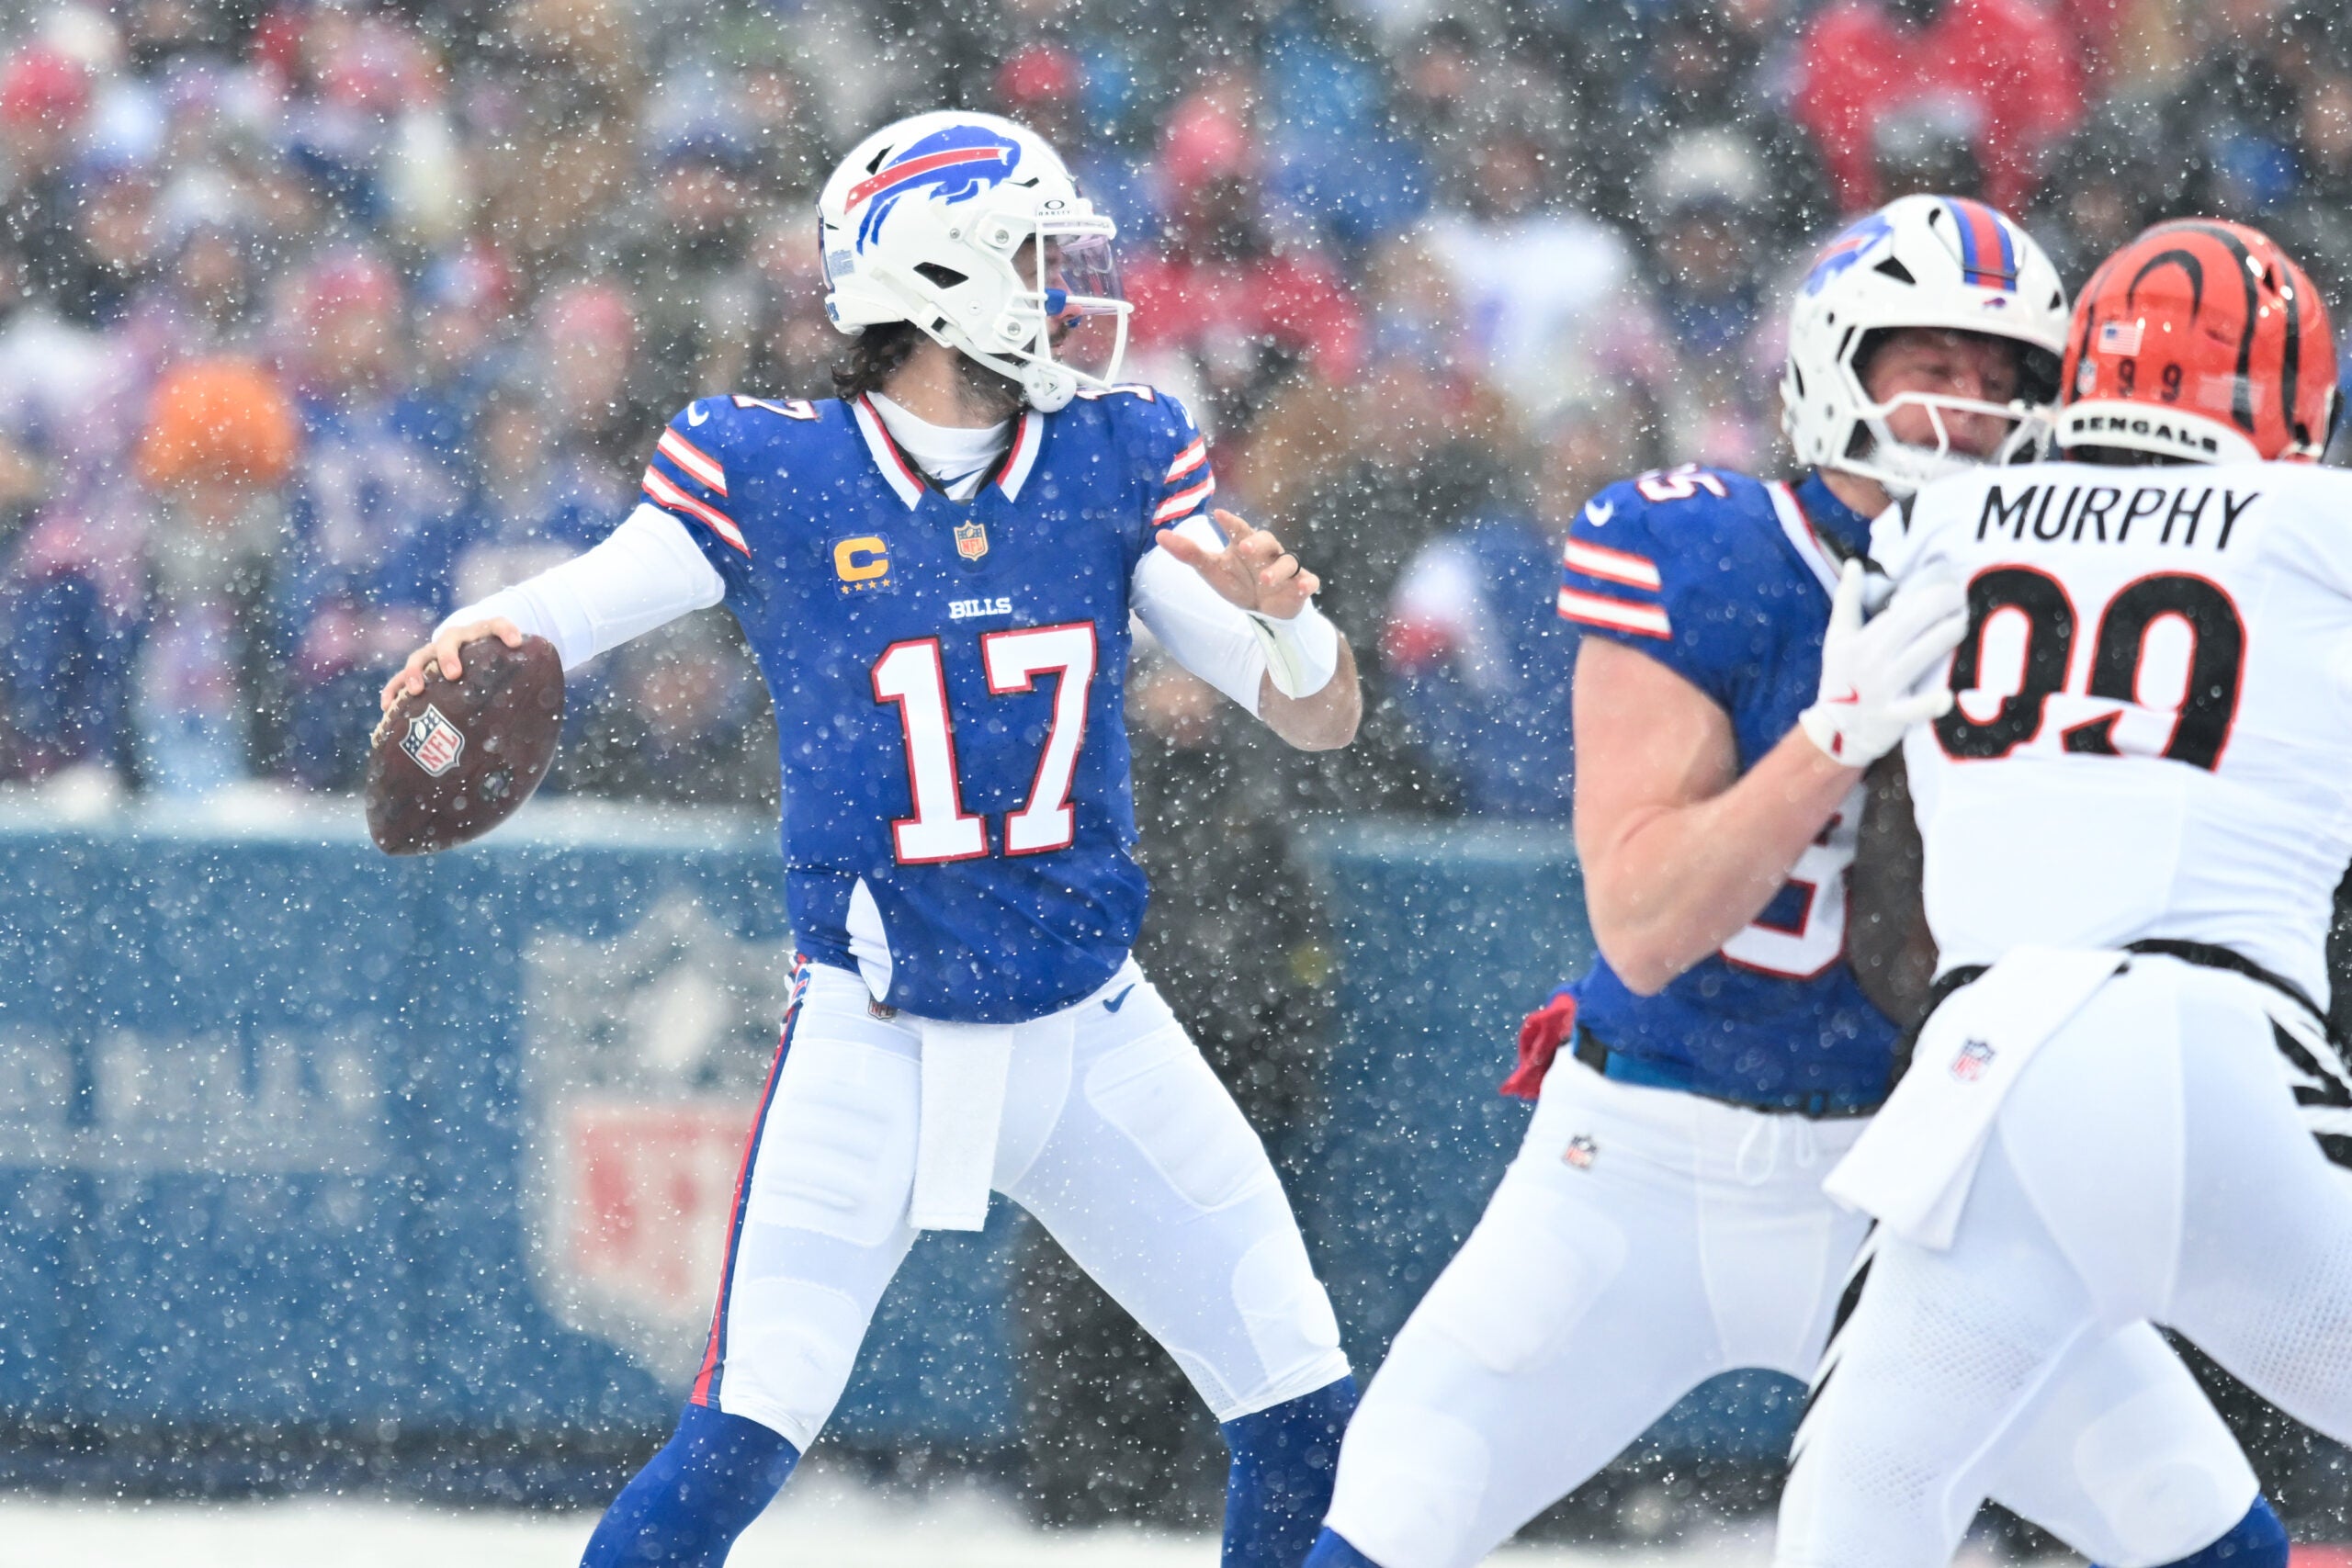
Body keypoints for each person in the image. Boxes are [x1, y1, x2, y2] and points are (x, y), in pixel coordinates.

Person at [379, 111, 1363, 1568]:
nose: (1075, 285)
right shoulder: (774, 468)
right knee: (732, 1444)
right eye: (1038, 254)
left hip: (1095, 1023)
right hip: (872, 1036)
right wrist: (468, 643)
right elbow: (577, 602)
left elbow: (1316, 716)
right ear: (944, 273)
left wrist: (1292, 619)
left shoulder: (1115, 450)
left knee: (1301, 1412)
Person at [1306, 196, 2287, 1568]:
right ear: (1837, 361)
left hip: (1928, 1187)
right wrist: (1837, 736)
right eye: (1931, 366)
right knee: (1378, 1534)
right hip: (1637, 1170)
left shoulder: (2080, 593)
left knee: (2214, 1540)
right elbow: (1644, 927)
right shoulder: (1703, 552)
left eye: (2005, 378)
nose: (1969, 410)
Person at [1772, 220, 2352, 1567]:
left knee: (1858, 1523)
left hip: (1993, 1082)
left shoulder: (1929, 520)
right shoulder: (2320, 528)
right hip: (2221, 1048)